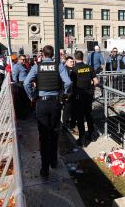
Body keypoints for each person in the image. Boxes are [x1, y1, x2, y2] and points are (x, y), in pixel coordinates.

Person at [23, 45, 72, 181]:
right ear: (53, 54)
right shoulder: (59, 66)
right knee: (54, 133)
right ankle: (54, 161)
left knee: (44, 136)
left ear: (43, 55)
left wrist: (32, 96)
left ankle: (44, 169)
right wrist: (64, 94)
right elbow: (68, 82)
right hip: (55, 103)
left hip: (41, 103)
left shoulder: (37, 67)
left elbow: (26, 83)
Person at [70, 50, 100, 147]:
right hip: (88, 95)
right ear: (82, 57)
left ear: (75, 58)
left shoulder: (73, 70)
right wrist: (90, 86)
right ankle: (92, 135)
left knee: (80, 117)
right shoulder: (89, 67)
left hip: (78, 96)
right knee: (89, 114)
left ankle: (82, 139)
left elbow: (70, 84)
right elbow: (96, 81)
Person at [62, 56, 76, 131]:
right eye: (71, 61)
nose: (72, 63)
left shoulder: (74, 69)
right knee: (67, 110)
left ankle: (72, 125)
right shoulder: (64, 70)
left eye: (73, 61)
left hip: (74, 92)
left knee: (73, 109)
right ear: (66, 62)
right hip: (67, 92)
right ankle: (65, 125)